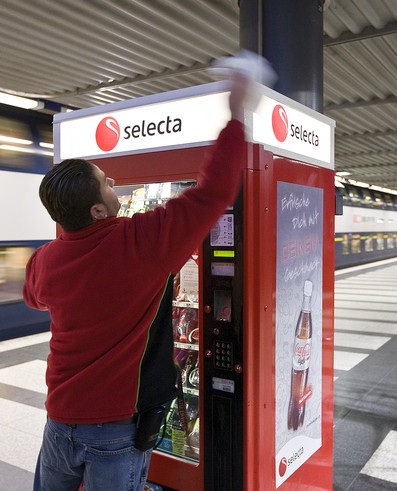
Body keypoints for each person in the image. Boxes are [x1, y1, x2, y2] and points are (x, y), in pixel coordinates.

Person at [24, 61, 258, 490]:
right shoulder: (140, 243)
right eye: (105, 183)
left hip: (59, 423)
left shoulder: (45, 260)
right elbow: (212, 193)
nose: (113, 180)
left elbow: (33, 297)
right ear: (97, 210)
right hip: (115, 428)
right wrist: (236, 113)